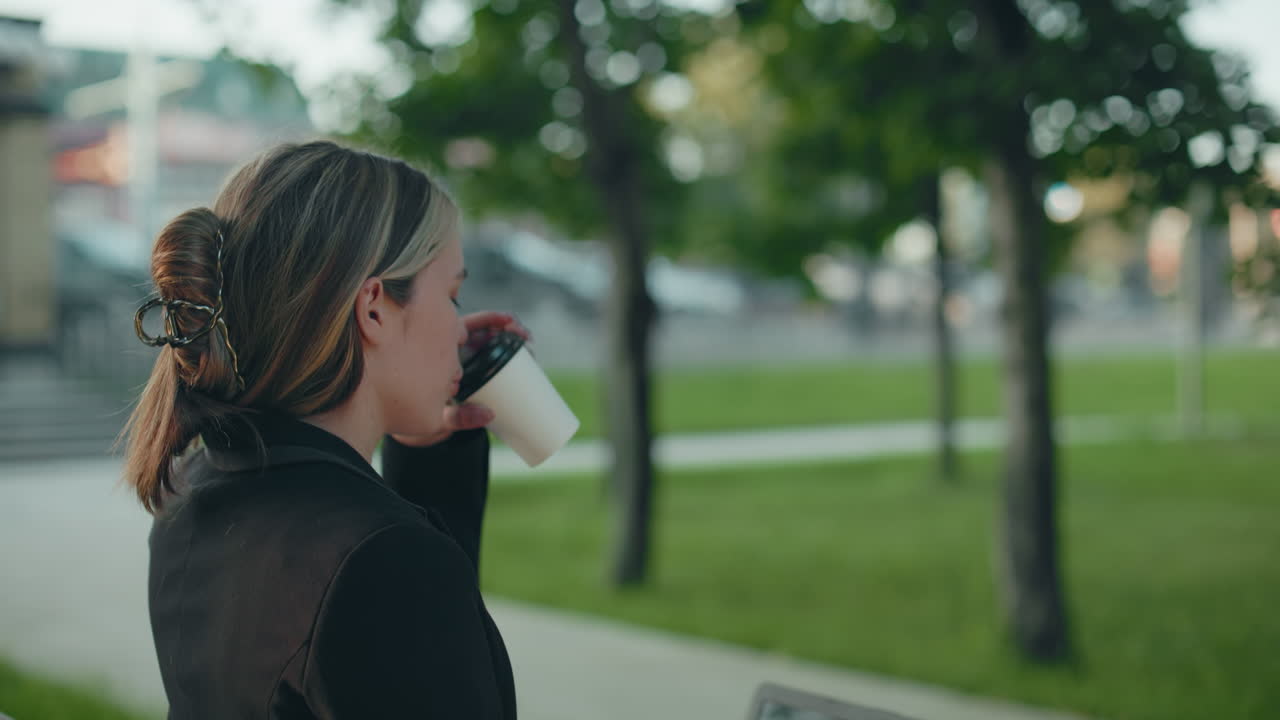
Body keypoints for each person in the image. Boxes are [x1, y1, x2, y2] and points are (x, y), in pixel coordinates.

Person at [122, 140, 523, 719]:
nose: (461, 327)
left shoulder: (195, 487)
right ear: (375, 309)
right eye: (453, 295)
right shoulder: (384, 560)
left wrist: (428, 453)